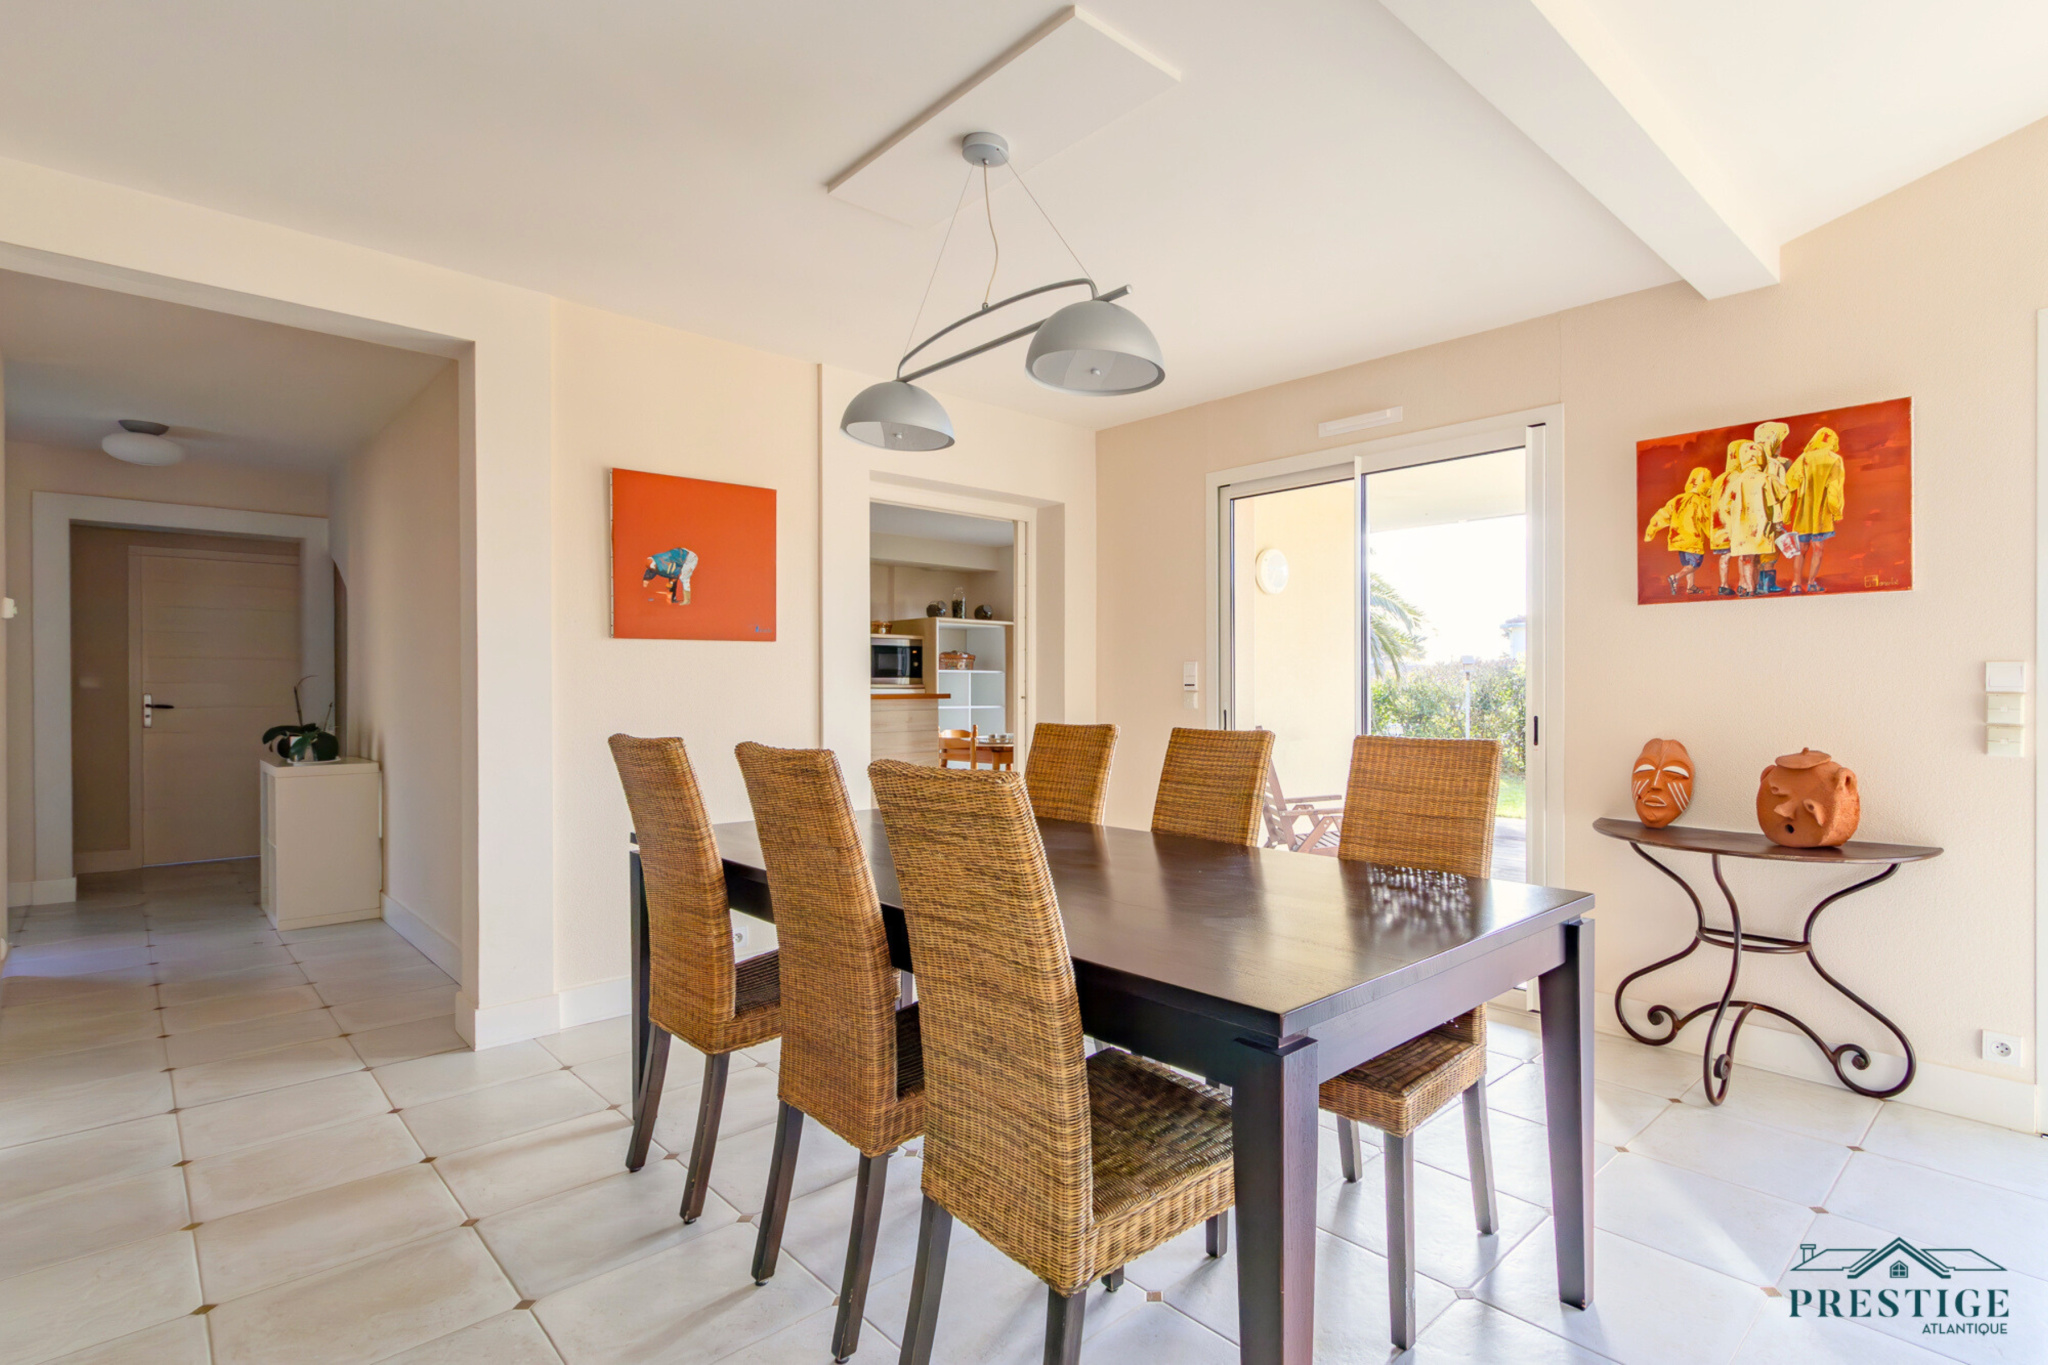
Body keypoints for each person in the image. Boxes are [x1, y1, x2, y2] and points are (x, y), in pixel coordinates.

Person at [1782, 427, 1846, 593]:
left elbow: (1790, 485)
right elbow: (1834, 491)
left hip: (1803, 514)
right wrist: (1836, 511)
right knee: (1818, 548)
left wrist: (1786, 513)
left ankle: (1796, 583)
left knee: (1801, 549)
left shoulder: (1804, 458)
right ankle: (1811, 582)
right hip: (1821, 515)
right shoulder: (1835, 460)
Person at [1643, 465, 1714, 596]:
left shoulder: (1677, 499)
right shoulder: (1702, 502)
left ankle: (1690, 587)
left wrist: (1650, 531)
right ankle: (1675, 577)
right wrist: (1714, 537)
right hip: (1693, 539)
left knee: (1688, 564)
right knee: (1695, 564)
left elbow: (1662, 515)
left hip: (1678, 539)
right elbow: (1707, 520)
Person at [1717, 440, 1771, 597]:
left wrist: (1731, 522)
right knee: (1752, 558)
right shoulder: (1762, 477)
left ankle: (1747, 587)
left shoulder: (1730, 479)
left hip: (1736, 527)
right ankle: (1748, 586)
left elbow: (1725, 505)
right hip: (1756, 525)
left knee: (1745, 557)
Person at [1752, 422, 1791, 594]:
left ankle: (1757, 585)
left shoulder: (1750, 465)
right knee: (1770, 550)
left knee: (1757, 550)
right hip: (1771, 513)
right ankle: (1767, 585)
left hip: (1753, 515)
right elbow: (1781, 492)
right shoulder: (1776, 465)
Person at [1707, 442, 1743, 596]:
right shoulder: (1739, 477)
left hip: (1718, 523)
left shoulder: (1718, 479)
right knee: (1742, 553)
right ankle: (1743, 584)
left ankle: (1723, 585)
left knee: (1725, 555)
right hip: (1733, 521)